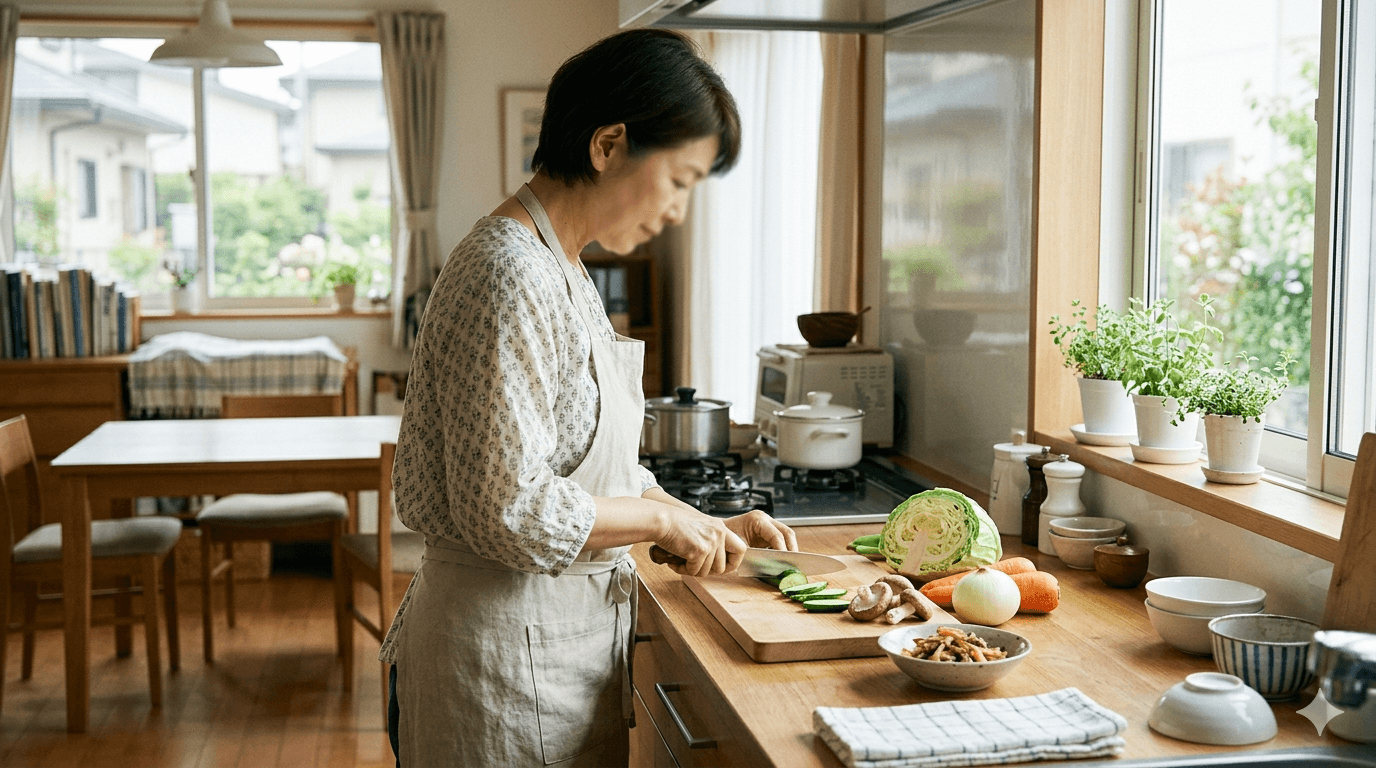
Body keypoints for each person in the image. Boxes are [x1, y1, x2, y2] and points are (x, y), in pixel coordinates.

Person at [379, 28, 799, 766]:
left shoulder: (563, 269)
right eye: (679, 180)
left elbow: (592, 470)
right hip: (498, 663)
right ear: (608, 145)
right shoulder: (508, 273)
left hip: (547, 649)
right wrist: (660, 523)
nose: (679, 211)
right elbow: (508, 508)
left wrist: (703, 523)